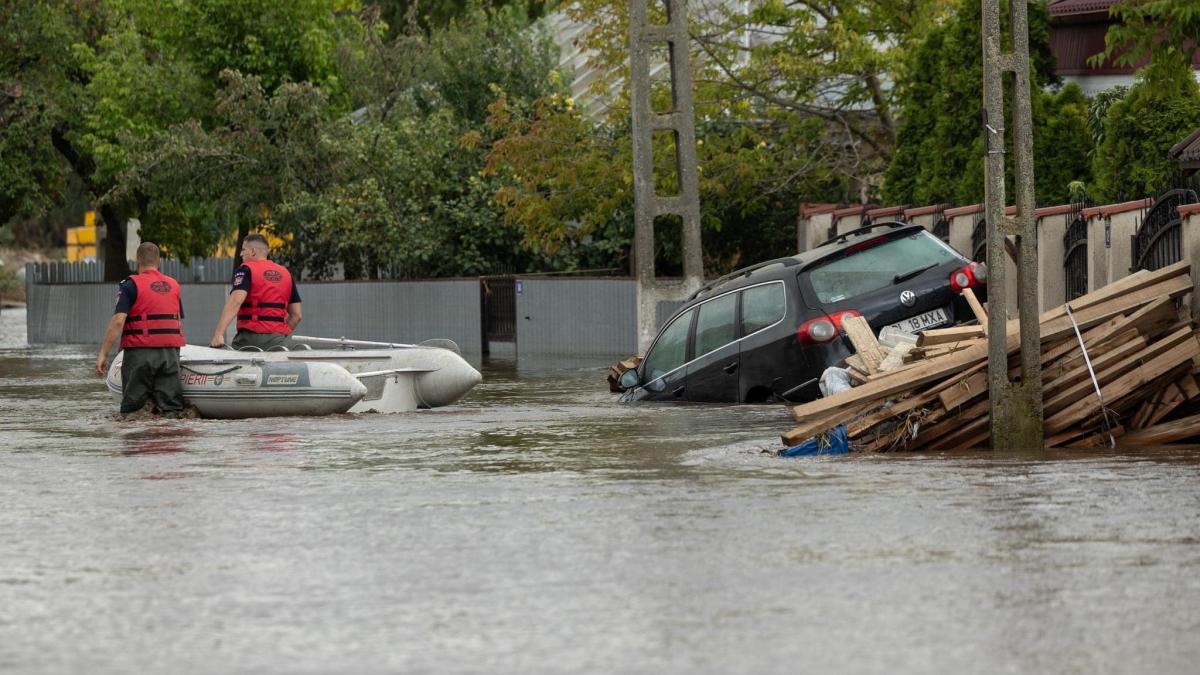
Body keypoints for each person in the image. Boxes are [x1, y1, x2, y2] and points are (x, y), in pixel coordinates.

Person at [95, 242, 186, 417]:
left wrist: (103, 354)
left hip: (140, 352)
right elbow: (176, 319)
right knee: (172, 409)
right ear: (159, 261)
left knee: (133, 411)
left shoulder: (130, 285)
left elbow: (118, 322)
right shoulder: (174, 285)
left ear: (137, 260)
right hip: (170, 353)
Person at [210, 233, 302, 350]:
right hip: (279, 342)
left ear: (253, 251)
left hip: (250, 339)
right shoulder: (286, 273)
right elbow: (296, 315)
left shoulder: (246, 270)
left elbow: (235, 302)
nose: (241, 253)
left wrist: (218, 334)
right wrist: (280, 335)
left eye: (243, 249)